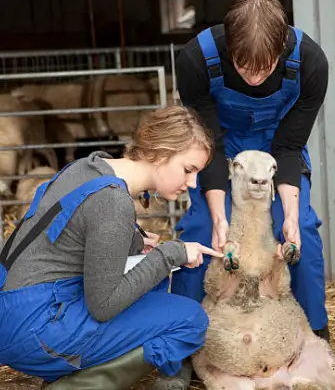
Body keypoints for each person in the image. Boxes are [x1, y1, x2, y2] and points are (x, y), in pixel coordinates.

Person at [0, 105, 223, 390]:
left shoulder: (89, 166)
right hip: (34, 327)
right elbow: (103, 307)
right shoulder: (114, 202)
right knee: (190, 320)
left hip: (12, 305)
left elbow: (72, 230)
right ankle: (76, 385)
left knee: (150, 286)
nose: (191, 183)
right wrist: (170, 254)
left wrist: (133, 241)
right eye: (188, 170)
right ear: (161, 153)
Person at [174, 0, 331, 340]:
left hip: (277, 149)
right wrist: (219, 219)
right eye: (243, 67)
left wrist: (288, 215)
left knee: (301, 230)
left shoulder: (310, 63)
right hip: (220, 148)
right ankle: (182, 344)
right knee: (202, 230)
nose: (254, 78)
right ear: (229, 47)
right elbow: (208, 145)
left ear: (282, 50)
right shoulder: (196, 60)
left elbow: (290, 146)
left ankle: (316, 336)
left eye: (265, 68)